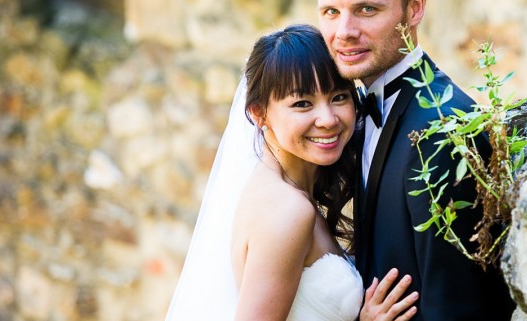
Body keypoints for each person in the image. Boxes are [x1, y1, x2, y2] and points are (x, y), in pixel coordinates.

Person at [165, 24, 418, 321]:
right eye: (302, 104)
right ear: (259, 114)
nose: (327, 119)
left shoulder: (271, 186)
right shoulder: (288, 210)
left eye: (338, 97)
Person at [318, 1, 516, 320]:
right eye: (331, 12)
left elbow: (456, 308)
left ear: (414, 9)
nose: (344, 32)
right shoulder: (357, 109)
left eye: (367, 9)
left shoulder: (442, 132)